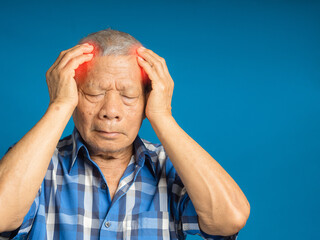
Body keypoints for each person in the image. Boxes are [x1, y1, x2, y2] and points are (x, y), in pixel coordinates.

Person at [0, 29, 250, 239]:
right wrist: (58, 106)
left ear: (147, 101)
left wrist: (162, 115)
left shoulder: (170, 167)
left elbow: (230, 219)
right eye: (94, 93)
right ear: (72, 95)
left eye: (129, 96)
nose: (111, 111)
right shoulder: (37, 165)